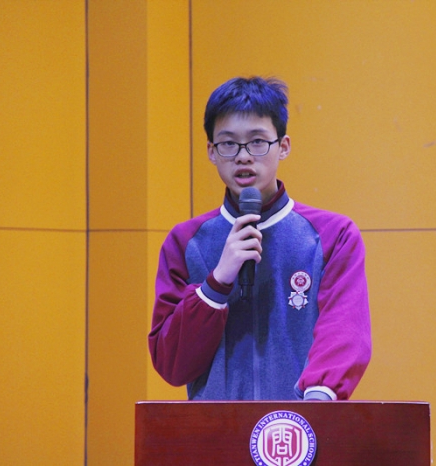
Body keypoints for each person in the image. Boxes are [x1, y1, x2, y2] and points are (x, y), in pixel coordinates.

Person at [149, 76, 371, 401]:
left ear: (283, 146)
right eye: (228, 144)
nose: (243, 156)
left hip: (298, 427)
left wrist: (313, 410)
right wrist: (216, 284)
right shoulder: (185, 243)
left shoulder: (333, 236)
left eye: (257, 142)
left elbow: (344, 332)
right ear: (211, 152)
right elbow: (171, 364)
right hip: (214, 430)